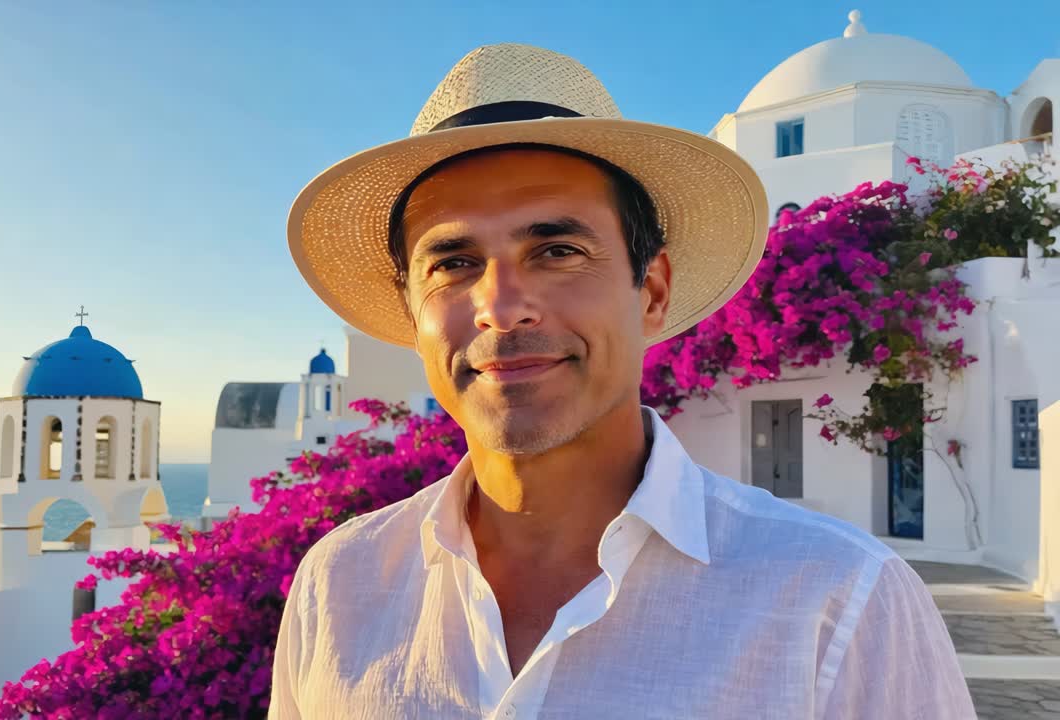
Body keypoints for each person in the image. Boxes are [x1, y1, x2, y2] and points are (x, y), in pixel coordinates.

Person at [273, 43, 974, 719]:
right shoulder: (337, 587)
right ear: (412, 313)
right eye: (453, 264)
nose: (500, 306)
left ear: (652, 292)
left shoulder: (839, 601)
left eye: (557, 250)